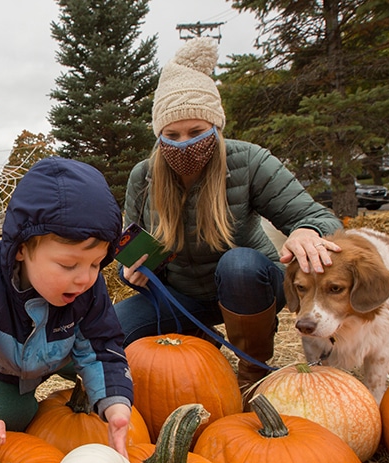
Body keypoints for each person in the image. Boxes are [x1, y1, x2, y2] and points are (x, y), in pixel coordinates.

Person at [114, 37, 343, 392]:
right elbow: (129, 246)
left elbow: (319, 218)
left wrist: (307, 231)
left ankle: (253, 369)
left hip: (249, 288)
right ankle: (200, 340)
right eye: (171, 134)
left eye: (196, 132)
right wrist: (131, 272)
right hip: (179, 297)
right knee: (115, 331)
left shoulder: (249, 161)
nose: (183, 143)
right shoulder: (143, 177)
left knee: (238, 266)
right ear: (159, 136)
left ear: (216, 128)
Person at [0, 157, 134, 458]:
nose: (84, 278)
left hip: (62, 355)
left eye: (96, 263)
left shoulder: (89, 289)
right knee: (12, 419)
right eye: (68, 264)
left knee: (115, 385)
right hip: (7, 368)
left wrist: (115, 402)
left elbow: (102, 343)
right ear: (22, 249)